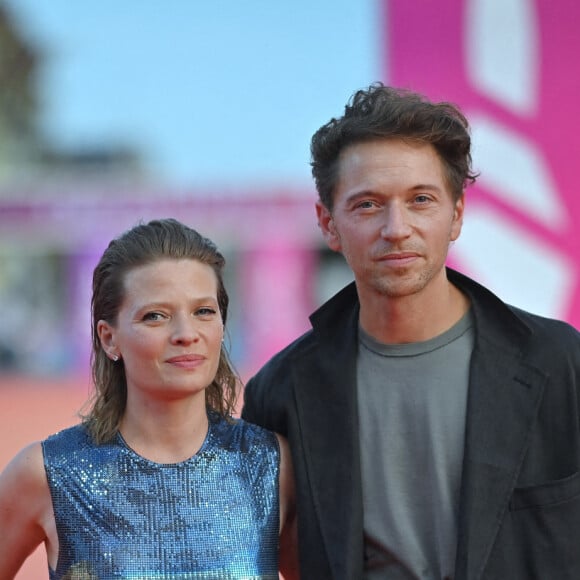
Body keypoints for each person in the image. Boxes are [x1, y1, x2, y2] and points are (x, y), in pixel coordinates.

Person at [242, 82, 580, 579]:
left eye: (421, 199)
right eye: (367, 205)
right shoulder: (281, 392)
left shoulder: (560, 362)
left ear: (457, 214)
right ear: (328, 223)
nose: (397, 228)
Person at [0, 218, 298, 579]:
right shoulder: (48, 473)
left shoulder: (272, 465)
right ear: (109, 339)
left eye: (203, 311)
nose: (186, 334)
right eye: (155, 316)